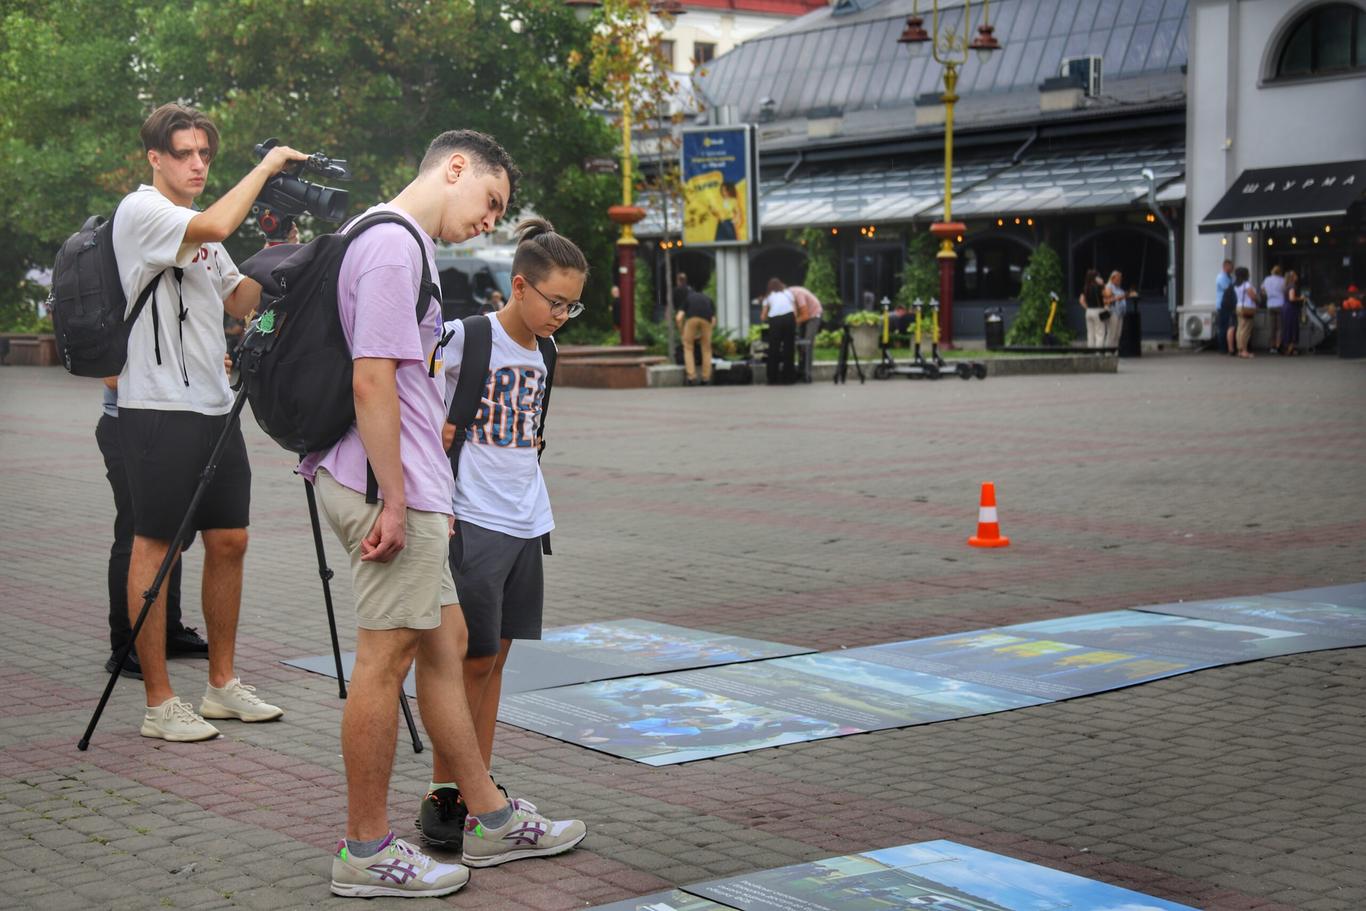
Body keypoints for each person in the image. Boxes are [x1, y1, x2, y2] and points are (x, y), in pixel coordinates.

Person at [297, 130, 583, 899]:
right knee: (384, 660)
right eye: (489, 200)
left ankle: (486, 812)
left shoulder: (387, 238)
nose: (489, 219)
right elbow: (372, 382)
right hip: (387, 488)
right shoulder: (394, 245)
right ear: (455, 168)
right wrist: (396, 495)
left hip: (409, 486)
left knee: (448, 641)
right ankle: (365, 847)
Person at [112, 103, 305, 742]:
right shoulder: (144, 213)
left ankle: (221, 686)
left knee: (231, 541)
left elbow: (243, 301)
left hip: (216, 407)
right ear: (156, 159)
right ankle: (160, 702)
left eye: (203, 154)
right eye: (185, 154)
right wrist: (269, 165)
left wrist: (289, 265)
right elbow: (220, 222)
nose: (197, 164)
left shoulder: (202, 236)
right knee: (157, 548)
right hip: (157, 411)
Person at [435, 218, 590, 861]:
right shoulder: (465, 339)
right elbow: (413, 414)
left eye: (572, 304)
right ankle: (451, 798)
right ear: (518, 285)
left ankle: (480, 794)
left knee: (495, 660)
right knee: (466, 661)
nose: (562, 314)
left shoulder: (546, 352)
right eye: (555, 301)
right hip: (472, 520)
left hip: (528, 520)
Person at [96, 381, 206, 679]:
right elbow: (112, 378)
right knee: (134, 532)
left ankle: (168, 630)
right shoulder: (123, 330)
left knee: (172, 529)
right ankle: (124, 643)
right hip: (129, 427)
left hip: (177, 427)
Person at [674, 275, 716, 385]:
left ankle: (691, 377)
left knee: (688, 347)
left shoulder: (688, 298)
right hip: (707, 320)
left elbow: (678, 317)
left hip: (692, 319)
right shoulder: (708, 299)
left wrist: (682, 331)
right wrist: (705, 335)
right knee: (706, 349)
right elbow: (713, 320)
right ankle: (706, 378)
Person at [760, 277, 797, 385]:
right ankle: (788, 377)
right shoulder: (787, 293)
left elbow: (763, 316)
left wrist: (766, 318)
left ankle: (772, 378)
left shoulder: (769, 296)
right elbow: (795, 311)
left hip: (775, 320)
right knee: (788, 348)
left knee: (774, 349)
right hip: (789, 318)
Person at [789, 284, 823, 381]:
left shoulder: (798, 294)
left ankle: (807, 373)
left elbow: (805, 315)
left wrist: (793, 322)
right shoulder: (789, 296)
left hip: (813, 315)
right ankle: (800, 370)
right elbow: (795, 312)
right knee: (799, 343)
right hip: (804, 315)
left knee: (807, 344)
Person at [1233, 265, 1259, 358]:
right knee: (1246, 330)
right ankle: (1244, 350)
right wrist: (1257, 299)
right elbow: (1252, 296)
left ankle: (1240, 349)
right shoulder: (1246, 284)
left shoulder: (1236, 284)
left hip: (1239, 307)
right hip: (1247, 308)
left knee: (1240, 329)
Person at [1079, 268, 1105, 348]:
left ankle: (1091, 352)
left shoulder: (1086, 287)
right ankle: (1098, 352)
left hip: (1089, 311)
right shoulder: (1098, 287)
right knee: (1100, 333)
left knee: (1090, 333)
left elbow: (1081, 300)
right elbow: (1107, 294)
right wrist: (1103, 284)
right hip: (1098, 310)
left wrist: (1087, 308)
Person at [1262, 265, 1286, 353]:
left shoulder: (1267, 279)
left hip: (1270, 304)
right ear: (1280, 272)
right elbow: (1285, 291)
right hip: (1280, 304)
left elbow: (1263, 291)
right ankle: (1278, 345)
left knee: (1272, 327)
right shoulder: (1282, 280)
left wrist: (1269, 295)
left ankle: (1272, 347)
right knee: (1280, 327)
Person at [1215, 259, 1235, 355]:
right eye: (1231, 267)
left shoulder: (1230, 277)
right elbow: (1228, 289)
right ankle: (1222, 348)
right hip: (1223, 305)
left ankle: (1227, 346)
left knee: (1228, 326)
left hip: (1229, 304)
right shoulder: (1222, 277)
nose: (1232, 269)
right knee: (1223, 326)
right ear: (1225, 266)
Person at [1103, 270, 1127, 350]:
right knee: (1111, 333)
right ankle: (1108, 352)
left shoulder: (1118, 288)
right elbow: (1106, 300)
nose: (1119, 280)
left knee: (1117, 334)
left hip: (1120, 313)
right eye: (1118, 279)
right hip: (1113, 312)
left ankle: (1115, 352)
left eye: (1120, 279)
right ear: (1112, 278)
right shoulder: (1108, 287)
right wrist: (1118, 298)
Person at [1282, 271, 1302, 356]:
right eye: (1295, 275)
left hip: (1286, 308)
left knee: (1288, 327)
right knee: (1292, 327)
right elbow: (1292, 298)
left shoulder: (1287, 286)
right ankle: (1290, 349)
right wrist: (1301, 298)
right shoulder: (1292, 286)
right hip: (1291, 309)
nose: (1297, 276)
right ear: (1293, 277)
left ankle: (1289, 348)